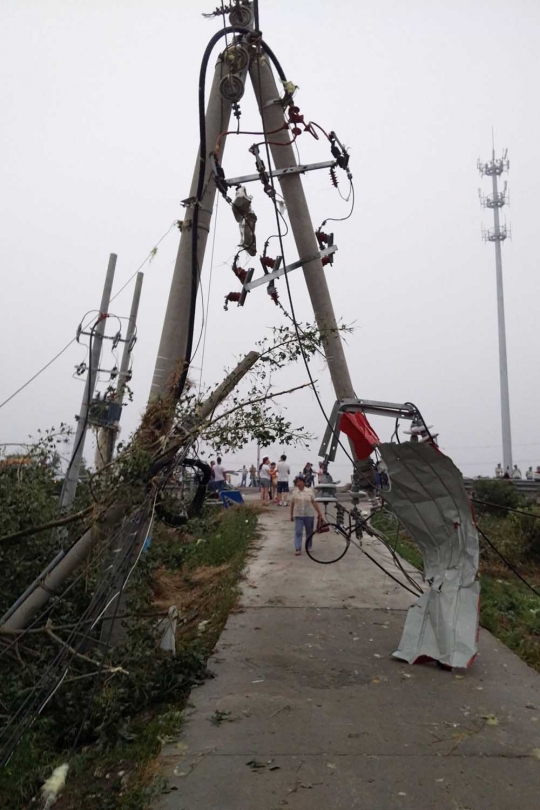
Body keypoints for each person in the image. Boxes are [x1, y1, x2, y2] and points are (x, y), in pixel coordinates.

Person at [289, 475, 323, 556]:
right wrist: (291, 515)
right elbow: (292, 504)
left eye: (300, 481)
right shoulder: (294, 492)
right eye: (297, 482)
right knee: (298, 532)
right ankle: (298, 548)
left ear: (303, 482)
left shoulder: (309, 491)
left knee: (309, 532)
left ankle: (308, 546)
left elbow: (314, 502)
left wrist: (319, 512)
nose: (298, 483)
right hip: (298, 515)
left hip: (309, 514)